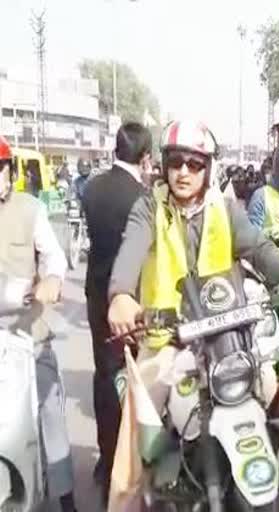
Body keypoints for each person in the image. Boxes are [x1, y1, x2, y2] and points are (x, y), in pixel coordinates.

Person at [106, 119, 279, 349]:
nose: (183, 172)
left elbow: (259, 248)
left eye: (194, 165)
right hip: (164, 344)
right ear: (165, 166)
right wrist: (120, 294)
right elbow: (131, 249)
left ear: (208, 169)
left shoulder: (226, 210)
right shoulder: (149, 208)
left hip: (223, 339)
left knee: (269, 381)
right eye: (175, 162)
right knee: (149, 383)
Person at [0, 135, 77, 512]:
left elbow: (54, 256)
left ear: (9, 171)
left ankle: (66, 499)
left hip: (27, 339)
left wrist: (51, 279)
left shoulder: (30, 209)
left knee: (50, 410)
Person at [81, 122, 152, 498]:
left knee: (105, 378)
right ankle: (131, 468)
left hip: (97, 299)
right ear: (144, 157)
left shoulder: (92, 189)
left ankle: (106, 462)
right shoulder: (143, 198)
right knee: (137, 382)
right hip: (130, 301)